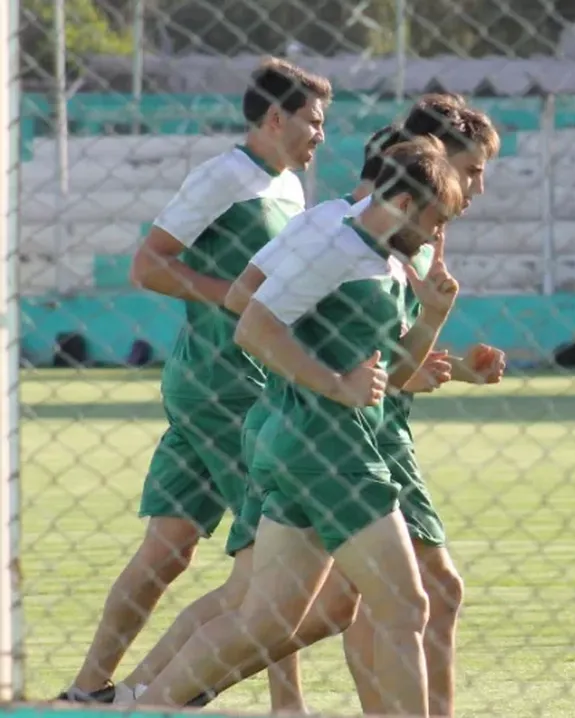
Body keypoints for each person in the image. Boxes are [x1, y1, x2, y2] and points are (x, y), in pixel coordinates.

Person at [115, 98, 505, 717]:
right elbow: (253, 322)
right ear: (406, 198)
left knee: (265, 621)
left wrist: (433, 317)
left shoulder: (351, 239)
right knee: (407, 605)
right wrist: (332, 382)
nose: (439, 234)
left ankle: (136, 706)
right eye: (436, 218)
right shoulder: (337, 242)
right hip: (334, 447)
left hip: (294, 445)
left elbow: (392, 370)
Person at [56, 57, 331, 704]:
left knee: (169, 548)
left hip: (244, 381)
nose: (321, 135)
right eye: (313, 122)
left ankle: (90, 690)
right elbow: (148, 266)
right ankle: (285, 704)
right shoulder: (223, 177)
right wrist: (232, 297)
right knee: (272, 548)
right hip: (222, 384)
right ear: (273, 117)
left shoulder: (290, 187)